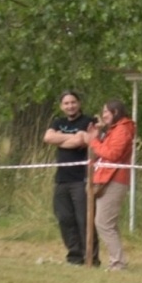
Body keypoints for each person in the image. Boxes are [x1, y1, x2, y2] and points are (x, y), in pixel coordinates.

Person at [43, 90, 96, 266]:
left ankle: (91, 257)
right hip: (61, 179)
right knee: (65, 218)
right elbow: (48, 137)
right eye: (66, 103)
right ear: (61, 106)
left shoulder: (89, 121)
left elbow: (81, 141)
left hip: (81, 179)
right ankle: (74, 256)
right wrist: (73, 137)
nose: (70, 106)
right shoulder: (59, 122)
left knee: (84, 220)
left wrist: (64, 139)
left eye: (73, 102)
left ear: (79, 103)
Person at [87, 99, 135, 270]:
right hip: (106, 177)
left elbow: (113, 154)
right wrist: (99, 133)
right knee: (107, 223)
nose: (103, 115)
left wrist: (93, 142)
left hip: (115, 179)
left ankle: (118, 262)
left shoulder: (122, 129)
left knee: (103, 222)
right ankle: (117, 260)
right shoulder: (115, 129)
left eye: (106, 112)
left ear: (115, 112)